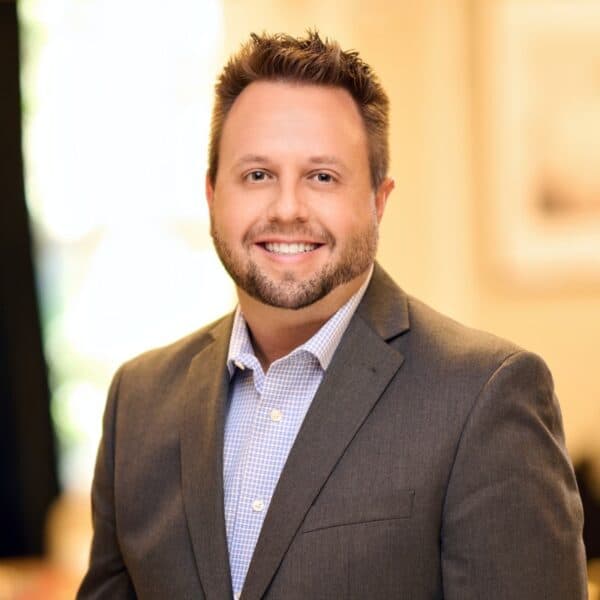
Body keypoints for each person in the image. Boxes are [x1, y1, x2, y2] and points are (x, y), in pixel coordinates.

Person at [78, 31, 587, 599]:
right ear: (211, 194)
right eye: (257, 175)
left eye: (322, 176)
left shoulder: (485, 395)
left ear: (378, 200)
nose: (288, 208)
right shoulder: (138, 403)